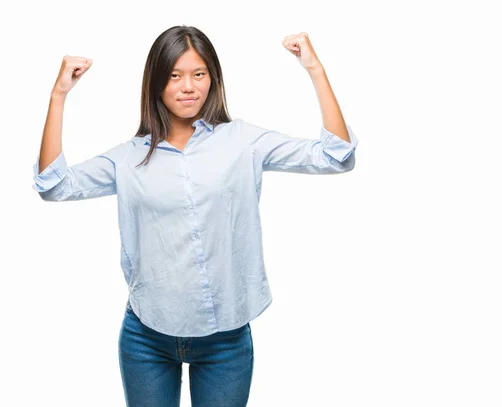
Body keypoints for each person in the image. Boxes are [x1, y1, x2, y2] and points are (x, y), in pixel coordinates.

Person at [32, 25, 358, 407]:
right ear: (156, 83)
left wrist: (314, 69)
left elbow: (337, 156)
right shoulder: (129, 158)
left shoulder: (243, 142)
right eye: (174, 75)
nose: (188, 86)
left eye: (198, 74)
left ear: (212, 79)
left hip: (226, 339)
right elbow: (53, 185)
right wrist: (58, 96)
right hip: (146, 336)